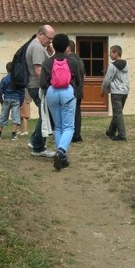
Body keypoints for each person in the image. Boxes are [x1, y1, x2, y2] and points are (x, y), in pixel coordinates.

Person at [40, 33, 84, 170]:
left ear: (53, 46)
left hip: (52, 93)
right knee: (69, 127)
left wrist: (50, 88)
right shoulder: (72, 61)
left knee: (58, 127)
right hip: (68, 93)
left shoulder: (47, 62)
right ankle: (61, 152)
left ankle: (62, 157)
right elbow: (79, 80)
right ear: (67, 47)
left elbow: (42, 82)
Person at [26, 24, 56, 158]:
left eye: (52, 39)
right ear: (40, 34)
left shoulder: (36, 45)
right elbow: (39, 71)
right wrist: (50, 84)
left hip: (34, 86)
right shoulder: (37, 48)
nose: (50, 41)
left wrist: (49, 50)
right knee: (45, 116)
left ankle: (34, 142)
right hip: (38, 86)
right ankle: (38, 147)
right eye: (49, 39)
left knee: (43, 115)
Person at [101, 45, 129, 141]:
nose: (109, 54)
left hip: (116, 92)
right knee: (118, 112)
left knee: (117, 114)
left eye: (111, 52)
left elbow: (107, 79)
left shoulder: (112, 65)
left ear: (116, 53)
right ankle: (111, 131)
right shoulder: (126, 64)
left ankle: (122, 135)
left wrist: (103, 89)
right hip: (125, 91)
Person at [0, 62, 24, 140]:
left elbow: (0, 91)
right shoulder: (18, 80)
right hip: (16, 99)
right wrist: (21, 101)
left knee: (3, 116)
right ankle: (14, 134)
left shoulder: (4, 79)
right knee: (15, 116)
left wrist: (1, 100)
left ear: (7, 70)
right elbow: (22, 91)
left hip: (7, 98)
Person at [66, 40, 86, 143]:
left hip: (71, 89)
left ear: (68, 48)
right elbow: (84, 75)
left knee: (69, 113)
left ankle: (71, 135)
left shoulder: (69, 60)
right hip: (79, 89)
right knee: (77, 113)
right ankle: (77, 135)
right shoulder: (80, 59)